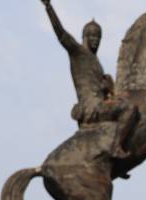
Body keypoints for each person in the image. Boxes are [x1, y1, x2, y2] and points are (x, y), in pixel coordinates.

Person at [41, 0, 137, 161]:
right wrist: (49, 7)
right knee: (129, 109)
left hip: (100, 104)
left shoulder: (96, 61)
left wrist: (107, 88)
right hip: (91, 107)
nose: (95, 39)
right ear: (84, 36)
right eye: (92, 35)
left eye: (98, 37)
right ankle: (115, 148)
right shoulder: (78, 53)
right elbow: (62, 34)